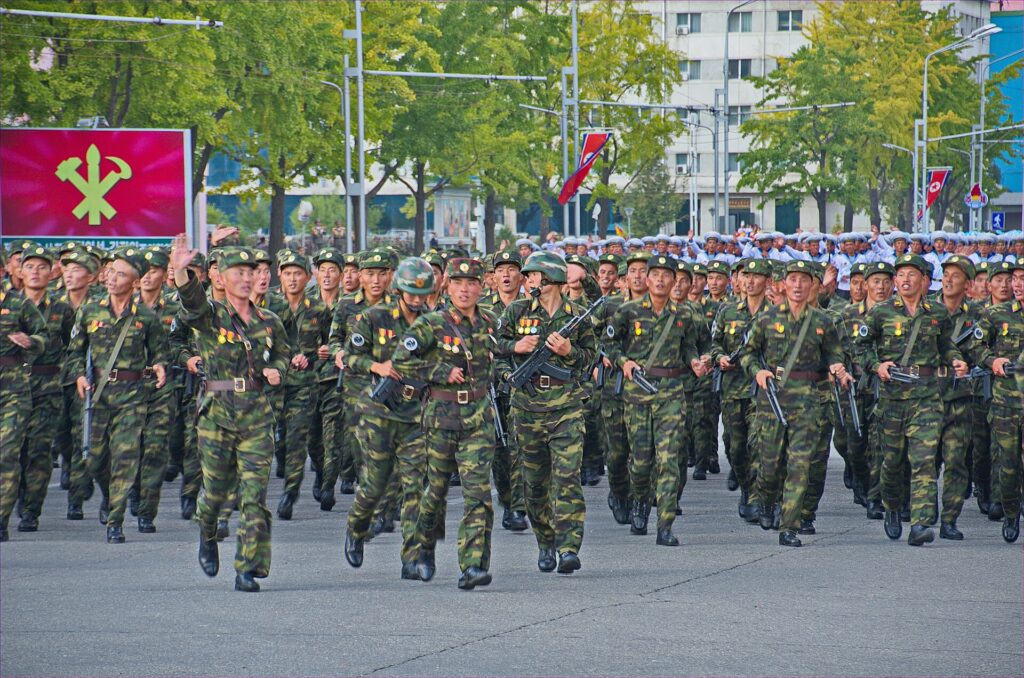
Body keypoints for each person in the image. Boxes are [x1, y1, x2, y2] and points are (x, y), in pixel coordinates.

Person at [170, 237, 289, 592]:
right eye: (237, 272)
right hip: (216, 414)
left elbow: (282, 354)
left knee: (254, 496)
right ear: (221, 277)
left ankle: (248, 567)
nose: (244, 278)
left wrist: (278, 370)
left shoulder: (270, 321)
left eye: (250, 272)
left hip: (255, 414)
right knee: (216, 493)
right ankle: (207, 534)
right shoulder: (211, 315)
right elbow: (190, 302)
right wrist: (179, 270)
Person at [393, 258, 499, 590]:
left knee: (478, 494)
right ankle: (422, 546)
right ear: (446, 287)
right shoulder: (431, 324)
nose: (465, 289)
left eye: (471, 283)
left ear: (482, 287)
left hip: (478, 418)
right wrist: (439, 372)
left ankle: (472, 565)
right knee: (434, 492)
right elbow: (400, 361)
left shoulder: (491, 322)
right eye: (458, 283)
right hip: (440, 418)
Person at [497, 251, 596, 574]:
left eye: (532, 276)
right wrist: (516, 348)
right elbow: (492, 349)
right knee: (535, 483)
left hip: (566, 406)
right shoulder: (516, 312)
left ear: (549, 279)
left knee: (567, 478)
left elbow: (590, 358)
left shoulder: (577, 315)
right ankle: (545, 541)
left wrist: (570, 352)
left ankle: (568, 547)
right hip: (527, 408)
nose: (527, 281)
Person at [858, 253, 967, 546]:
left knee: (924, 461)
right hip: (893, 397)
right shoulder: (881, 312)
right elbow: (861, 348)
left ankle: (920, 523)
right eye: (901, 275)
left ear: (923, 279)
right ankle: (892, 506)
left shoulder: (937, 312)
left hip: (927, 396)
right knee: (892, 463)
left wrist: (956, 360)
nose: (905, 280)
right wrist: (876, 366)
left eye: (911, 275)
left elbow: (946, 345)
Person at [740, 259, 851, 547]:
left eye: (805, 280)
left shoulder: (823, 322)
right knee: (770, 465)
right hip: (773, 399)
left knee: (800, 464)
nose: (799, 285)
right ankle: (766, 499)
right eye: (793, 280)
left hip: (808, 400)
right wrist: (758, 371)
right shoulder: (766, 319)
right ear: (783, 284)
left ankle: (789, 525)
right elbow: (748, 355)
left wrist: (838, 368)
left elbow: (834, 355)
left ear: (814, 285)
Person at [66, 247, 168, 543]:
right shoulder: (89, 311)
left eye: (120, 274)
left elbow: (160, 351)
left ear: (135, 282)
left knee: (125, 456)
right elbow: (74, 352)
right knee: (93, 458)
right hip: (97, 394)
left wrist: (159, 365)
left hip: (133, 395)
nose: (111, 278)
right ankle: (112, 494)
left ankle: (115, 520)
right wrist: (78, 374)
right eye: (110, 272)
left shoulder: (146, 318)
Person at [344, 257, 437, 578]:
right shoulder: (374, 317)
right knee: (374, 484)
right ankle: (356, 529)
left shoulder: (434, 322)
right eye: (410, 291)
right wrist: (377, 366)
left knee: (415, 487)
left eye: (421, 293)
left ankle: (411, 558)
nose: (415, 298)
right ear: (399, 289)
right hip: (379, 414)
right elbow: (351, 356)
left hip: (416, 416)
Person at [606, 254, 707, 546]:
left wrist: (696, 362)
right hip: (638, 390)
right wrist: (623, 361)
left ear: (675, 281)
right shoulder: (628, 311)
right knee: (640, 460)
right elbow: (609, 345)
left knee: (669, 459)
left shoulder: (685, 314)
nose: (661, 280)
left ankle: (665, 524)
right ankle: (639, 501)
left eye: (667, 275)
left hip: (672, 390)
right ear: (647, 279)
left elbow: (691, 346)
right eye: (656, 275)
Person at [0, 248, 48, 542]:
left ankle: (2, 516)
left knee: (6, 453)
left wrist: (29, 341)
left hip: (13, 390)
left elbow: (44, 336)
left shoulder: (18, 305)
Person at [479, 249, 528, 532]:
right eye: (501, 270)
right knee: (499, 448)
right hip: (491, 389)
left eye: (512, 269)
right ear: (493, 276)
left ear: (521, 276)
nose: (507, 275)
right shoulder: (482, 309)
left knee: (520, 447)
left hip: (524, 387)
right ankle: (508, 499)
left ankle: (518, 507)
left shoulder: (531, 307)